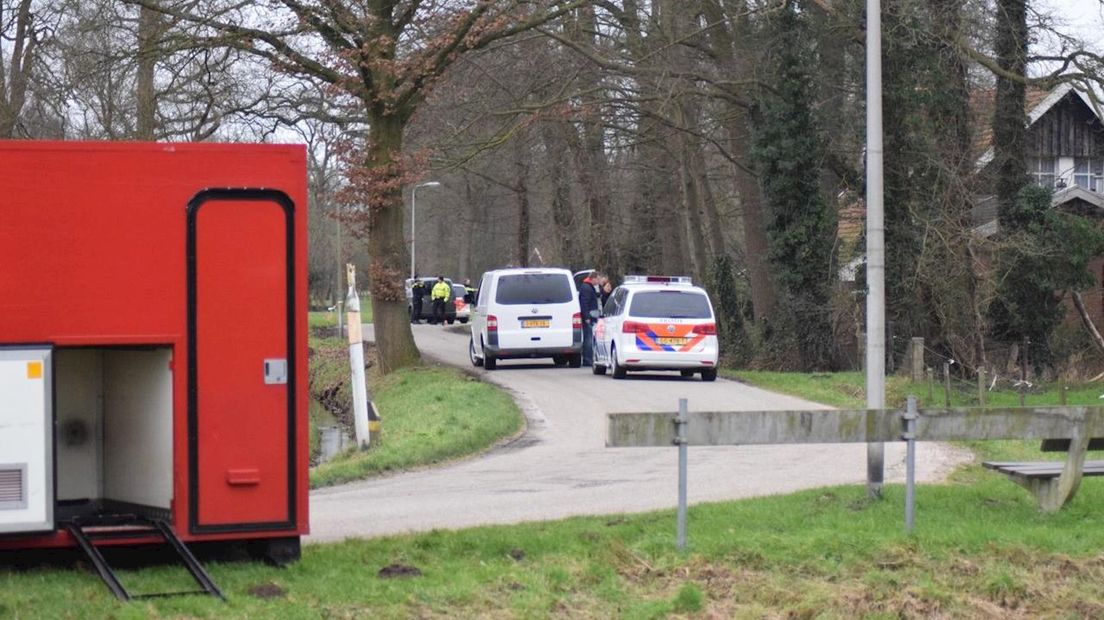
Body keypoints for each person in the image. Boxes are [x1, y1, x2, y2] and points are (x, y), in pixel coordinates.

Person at [578, 273, 599, 366]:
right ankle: (587, 359)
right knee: (589, 338)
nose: (598, 282)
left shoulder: (587, 287)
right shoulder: (587, 288)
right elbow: (584, 303)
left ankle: (588, 358)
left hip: (590, 316)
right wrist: (586, 317)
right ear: (593, 278)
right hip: (589, 317)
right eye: (597, 279)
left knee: (589, 337)